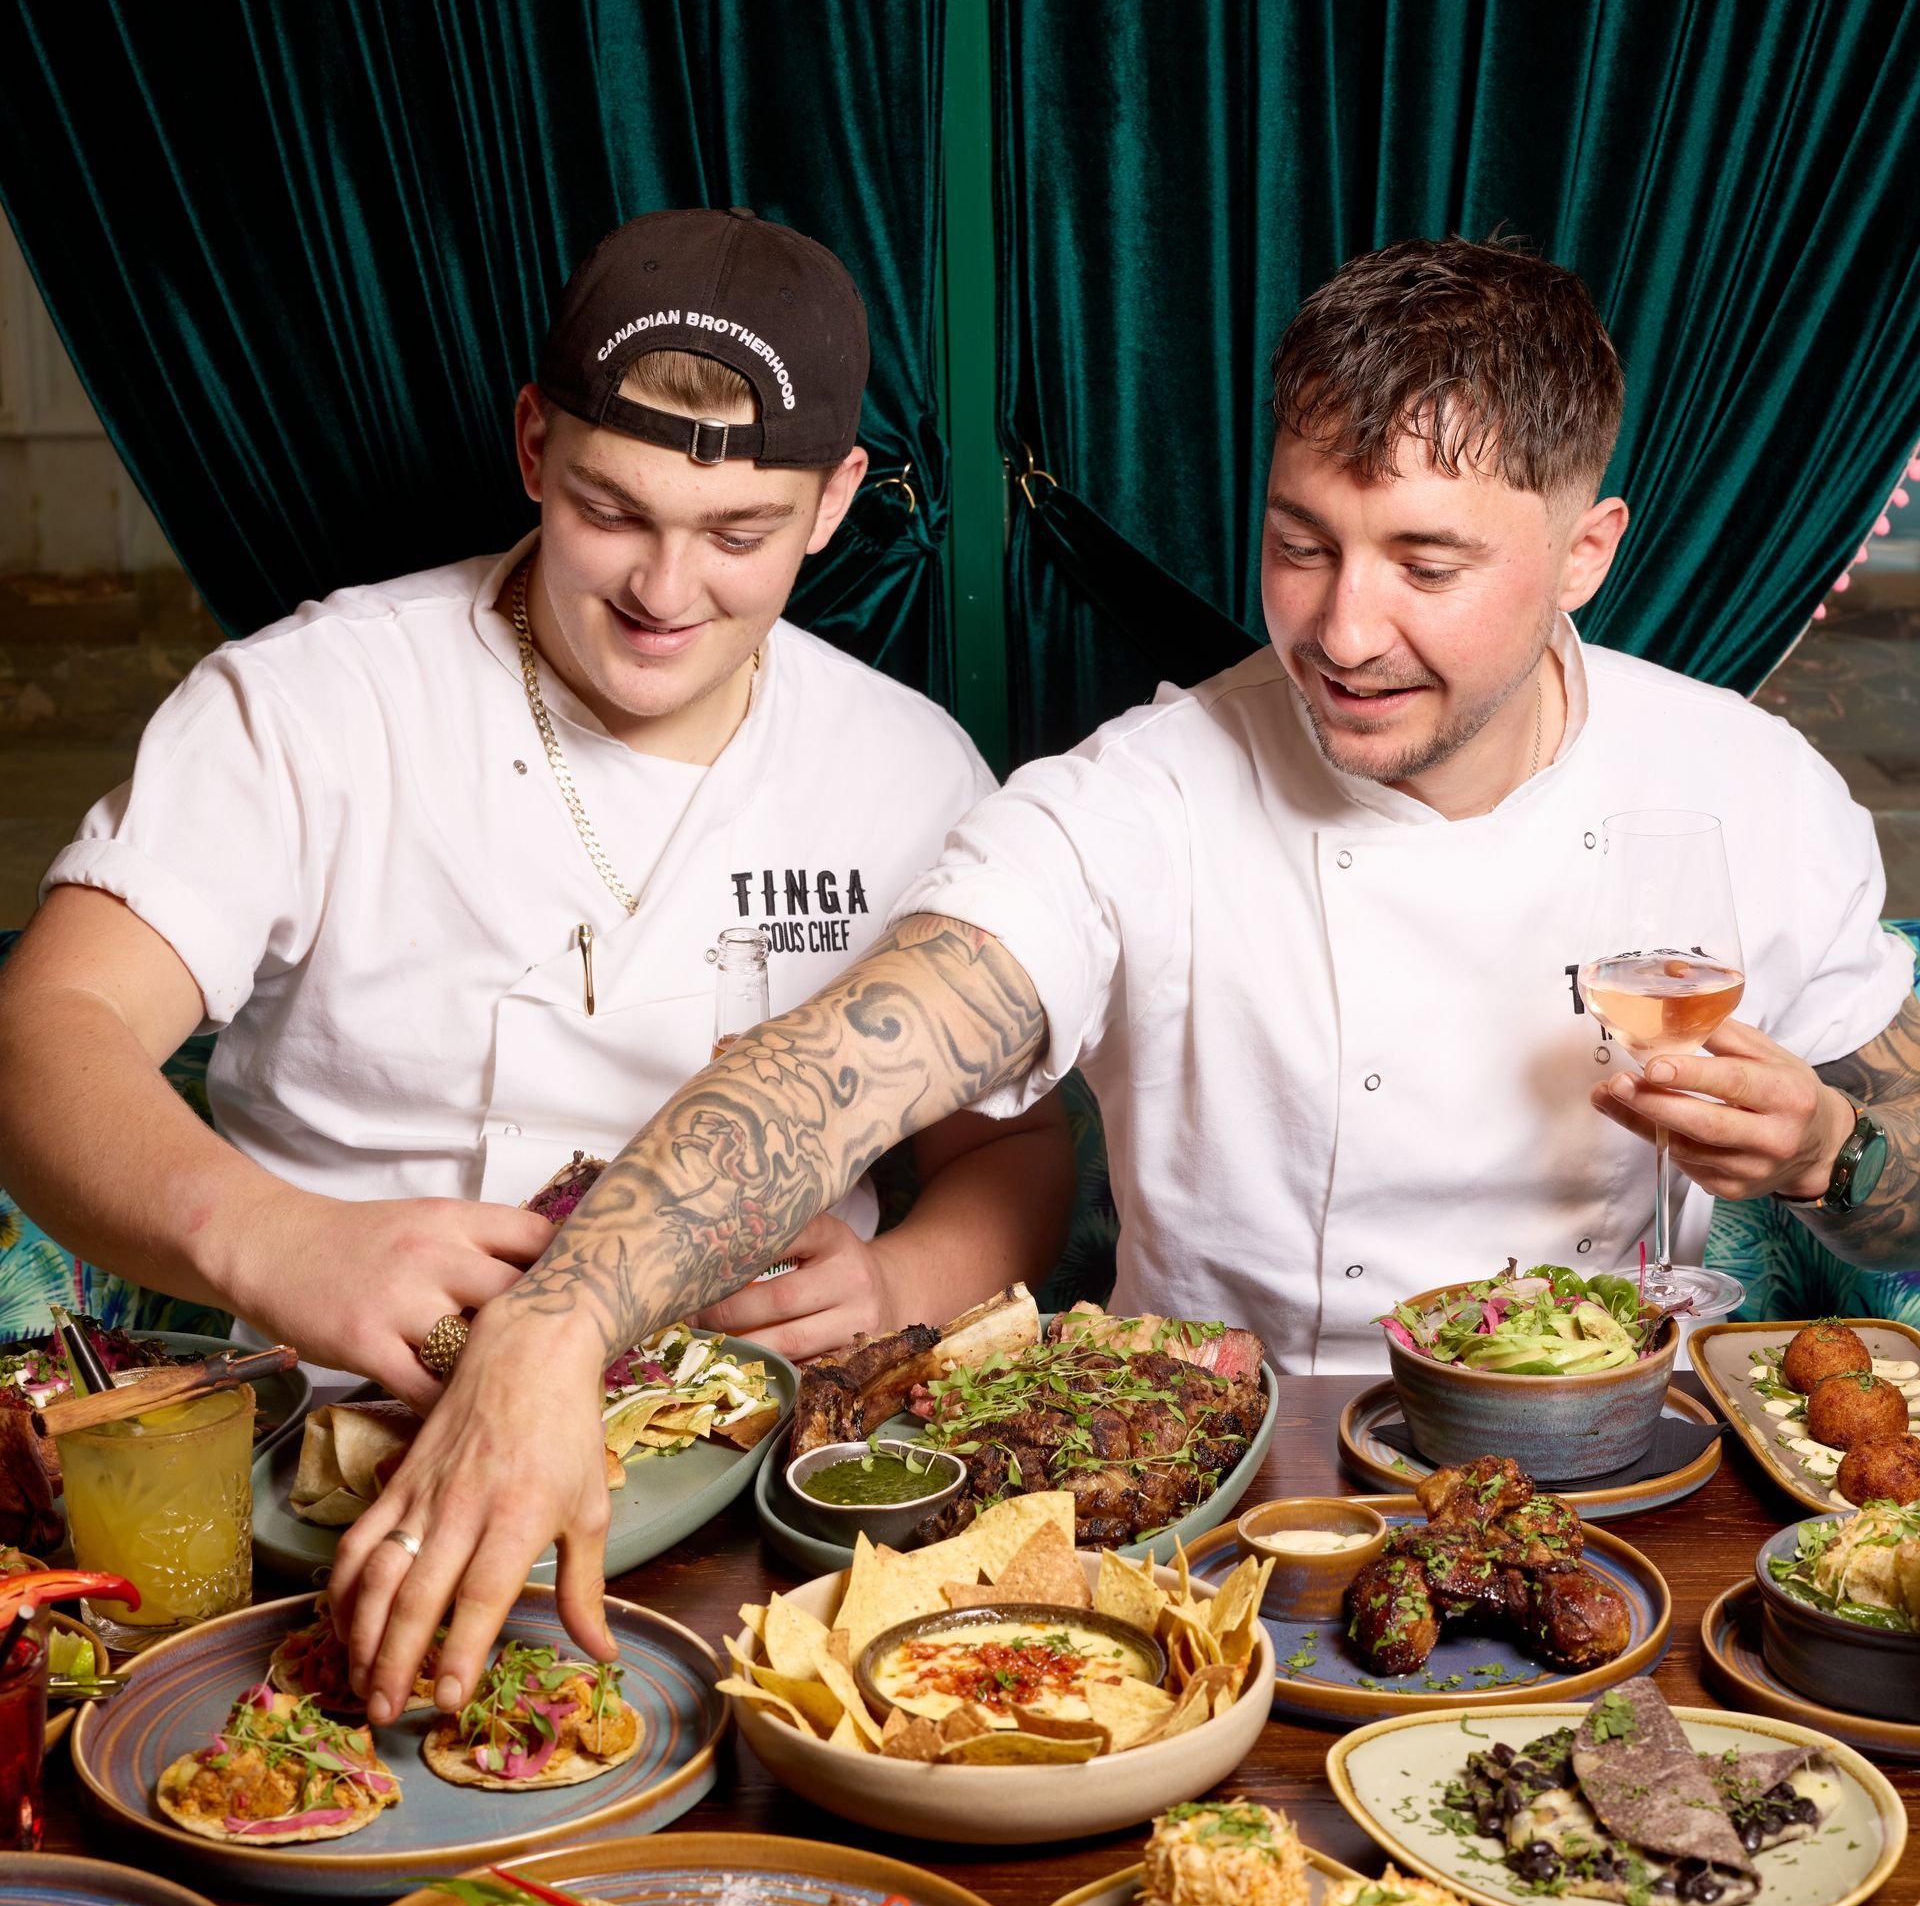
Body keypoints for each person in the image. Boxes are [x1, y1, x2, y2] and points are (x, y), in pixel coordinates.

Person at [334, 233, 1920, 1723]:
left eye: (1426, 563)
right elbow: (836, 1065)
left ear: (1586, 552)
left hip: (1612, 1517)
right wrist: (554, 1327)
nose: (1343, 627)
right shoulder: (1144, 791)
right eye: (1301, 543)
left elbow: (1902, 1183)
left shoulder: (1748, 786)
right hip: (1190, 1527)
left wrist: (1831, 1147)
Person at [0, 207, 1074, 1412]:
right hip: (339, 1422)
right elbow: (48, 1025)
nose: (664, 590)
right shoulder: (310, 704)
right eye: (610, 510)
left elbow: (1009, 1146)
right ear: (532, 444)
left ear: (831, 504)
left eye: (738, 533)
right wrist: (270, 1236)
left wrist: (897, 1282)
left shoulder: (911, 768)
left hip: (754, 1440)